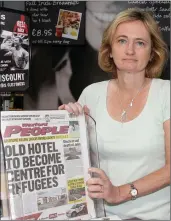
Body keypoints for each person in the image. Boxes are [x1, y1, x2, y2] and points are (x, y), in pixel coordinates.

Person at [58, 8, 170, 220]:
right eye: (121, 41)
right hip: (98, 215)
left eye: (140, 43)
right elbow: (73, 159)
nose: (130, 50)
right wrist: (65, 126)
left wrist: (119, 192)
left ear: (152, 52)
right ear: (109, 50)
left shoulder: (166, 93)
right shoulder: (91, 94)